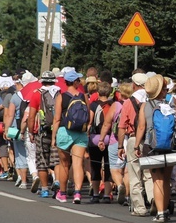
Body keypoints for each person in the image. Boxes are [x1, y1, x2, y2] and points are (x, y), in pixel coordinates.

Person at [136, 74, 176, 222]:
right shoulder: (172, 102)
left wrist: (136, 145)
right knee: (166, 179)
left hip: (151, 146)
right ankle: (165, 209)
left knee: (157, 180)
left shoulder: (145, 106)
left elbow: (141, 127)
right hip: (171, 145)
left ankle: (160, 212)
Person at [117, 71, 152, 216]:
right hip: (150, 139)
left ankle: (140, 207)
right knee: (149, 173)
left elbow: (122, 126)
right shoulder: (151, 100)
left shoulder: (128, 102)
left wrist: (120, 146)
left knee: (135, 174)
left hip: (133, 138)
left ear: (134, 85)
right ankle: (153, 199)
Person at [52, 69, 89, 203]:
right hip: (80, 132)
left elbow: (56, 119)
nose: (80, 82)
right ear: (74, 82)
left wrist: (53, 138)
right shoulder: (83, 96)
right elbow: (88, 115)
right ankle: (77, 193)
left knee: (64, 164)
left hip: (64, 131)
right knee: (78, 164)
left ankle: (62, 193)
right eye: (78, 80)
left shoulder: (61, 96)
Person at [26, 71, 60, 197]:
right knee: (57, 160)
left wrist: (31, 132)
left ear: (42, 81)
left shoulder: (37, 94)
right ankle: (57, 181)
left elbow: (31, 116)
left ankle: (45, 189)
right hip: (58, 130)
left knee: (42, 161)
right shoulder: (59, 92)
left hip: (43, 131)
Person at [88, 81, 115, 203]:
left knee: (95, 166)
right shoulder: (114, 104)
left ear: (98, 92)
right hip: (111, 138)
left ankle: (95, 194)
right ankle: (107, 195)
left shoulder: (93, 105)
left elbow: (90, 121)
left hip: (95, 138)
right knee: (108, 166)